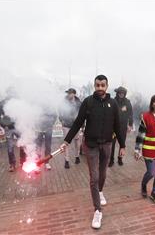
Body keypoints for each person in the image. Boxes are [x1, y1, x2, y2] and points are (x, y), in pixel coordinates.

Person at [60, 75, 125, 229]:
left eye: (103, 85)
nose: (100, 88)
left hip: (107, 145)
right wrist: (66, 141)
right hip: (91, 145)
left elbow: (117, 125)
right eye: (97, 85)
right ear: (94, 86)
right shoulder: (88, 102)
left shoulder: (113, 103)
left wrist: (122, 145)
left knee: (102, 174)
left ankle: (100, 192)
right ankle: (98, 210)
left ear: (107, 86)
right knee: (94, 177)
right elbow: (77, 123)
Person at [0, 87, 26, 172]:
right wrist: (3, 125)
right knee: (10, 148)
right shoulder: (2, 103)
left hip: (19, 127)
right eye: (10, 93)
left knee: (23, 145)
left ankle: (23, 162)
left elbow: (24, 113)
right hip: (9, 129)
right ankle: (12, 164)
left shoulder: (18, 101)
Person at [109, 86, 133, 167]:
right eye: (120, 92)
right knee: (112, 144)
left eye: (123, 93)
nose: (121, 94)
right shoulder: (113, 101)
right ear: (117, 93)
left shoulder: (127, 102)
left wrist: (130, 124)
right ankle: (111, 160)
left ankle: (120, 158)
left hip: (123, 127)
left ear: (125, 94)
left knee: (122, 143)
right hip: (113, 127)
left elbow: (130, 114)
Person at [59, 88, 82, 169]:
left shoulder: (78, 102)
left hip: (76, 125)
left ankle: (77, 156)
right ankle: (67, 160)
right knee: (66, 143)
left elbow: (82, 113)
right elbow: (60, 110)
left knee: (77, 142)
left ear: (74, 94)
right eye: (68, 93)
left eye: (71, 93)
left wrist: (81, 124)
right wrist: (61, 120)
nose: (69, 95)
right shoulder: (63, 102)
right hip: (66, 125)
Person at [35, 106, 57, 171]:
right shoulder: (37, 105)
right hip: (39, 129)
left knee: (48, 146)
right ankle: (38, 163)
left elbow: (55, 115)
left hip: (48, 129)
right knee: (38, 147)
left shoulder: (51, 106)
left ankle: (47, 162)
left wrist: (51, 123)